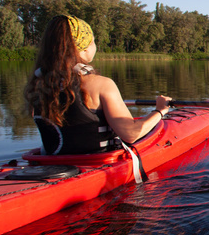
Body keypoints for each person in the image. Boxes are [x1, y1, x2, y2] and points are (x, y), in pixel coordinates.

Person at [24, 15, 173, 155]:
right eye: (93, 41)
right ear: (84, 48)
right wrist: (159, 111)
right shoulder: (101, 84)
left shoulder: (37, 85)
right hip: (97, 162)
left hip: (47, 164)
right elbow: (131, 134)